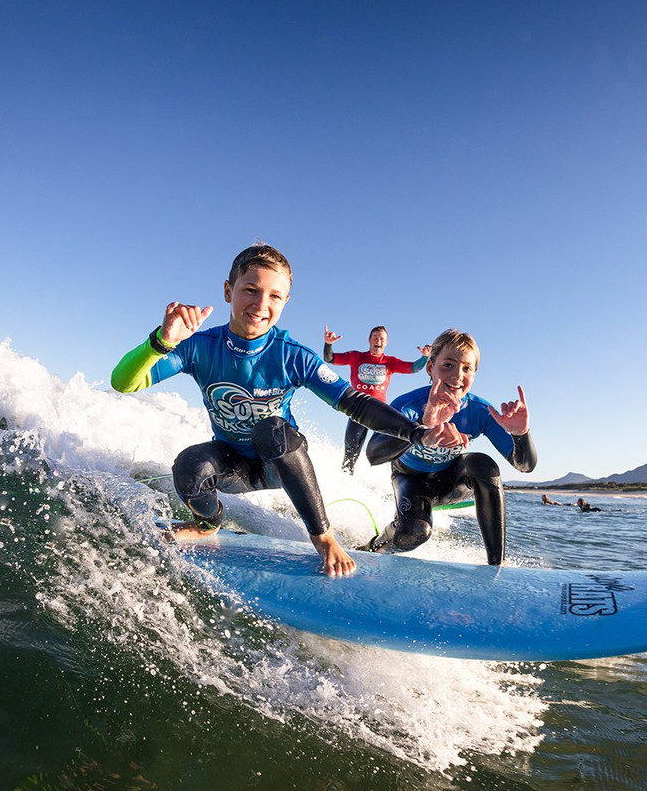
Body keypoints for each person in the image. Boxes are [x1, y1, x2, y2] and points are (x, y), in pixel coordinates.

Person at [110, 244, 465, 577]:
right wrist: (162, 341)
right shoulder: (199, 347)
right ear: (227, 290)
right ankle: (207, 523)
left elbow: (355, 402)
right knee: (189, 465)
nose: (261, 304)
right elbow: (124, 383)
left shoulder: (291, 354)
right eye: (250, 289)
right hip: (234, 467)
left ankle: (323, 536)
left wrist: (416, 432)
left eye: (275, 296)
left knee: (271, 429)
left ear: (285, 302)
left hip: (281, 461)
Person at [364, 329, 537, 565]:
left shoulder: (480, 411)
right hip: (410, 478)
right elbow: (373, 455)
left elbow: (524, 465)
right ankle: (373, 547)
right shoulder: (409, 405)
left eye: (467, 368)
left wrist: (520, 434)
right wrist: (422, 427)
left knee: (483, 464)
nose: (457, 375)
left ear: (474, 375)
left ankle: (497, 565)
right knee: (415, 533)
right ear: (430, 367)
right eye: (448, 365)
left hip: (450, 481)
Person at [322, 325, 431, 473]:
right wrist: (328, 344)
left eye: (381, 339)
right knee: (351, 449)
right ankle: (346, 477)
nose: (378, 341)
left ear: (386, 343)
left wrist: (425, 357)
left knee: (387, 446)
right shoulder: (356, 357)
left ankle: (394, 476)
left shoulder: (390, 362)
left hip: (380, 411)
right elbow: (330, 358)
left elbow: (414, 368)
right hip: (358, 408)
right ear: (369, 340)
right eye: (375, 338)